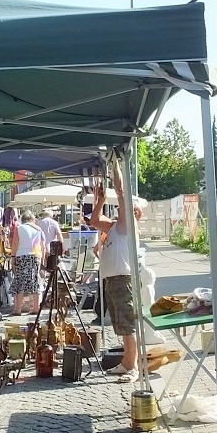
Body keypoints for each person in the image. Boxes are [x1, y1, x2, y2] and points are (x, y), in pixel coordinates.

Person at [90, 158, 143, 383]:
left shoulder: (126, 227)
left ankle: (132, 367)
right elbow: (94, 220)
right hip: (112, 279)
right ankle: (126, 362)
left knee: (127, 324)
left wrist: (116, 167)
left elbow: (121, 192)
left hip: (122, 278)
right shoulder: (112, 228)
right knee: (120, 324)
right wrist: (99, 200)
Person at [10, 210, 45, 316]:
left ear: (23, 219)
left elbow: (15, 244)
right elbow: (42, 247)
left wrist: (13, 257)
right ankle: (35, 307)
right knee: (35, 281)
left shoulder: (19, 228)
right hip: (35, 256)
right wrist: (42, 260)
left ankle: (18, 309)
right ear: (33, 219)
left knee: (20, 281)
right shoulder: (38, 229)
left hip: (22, 256)